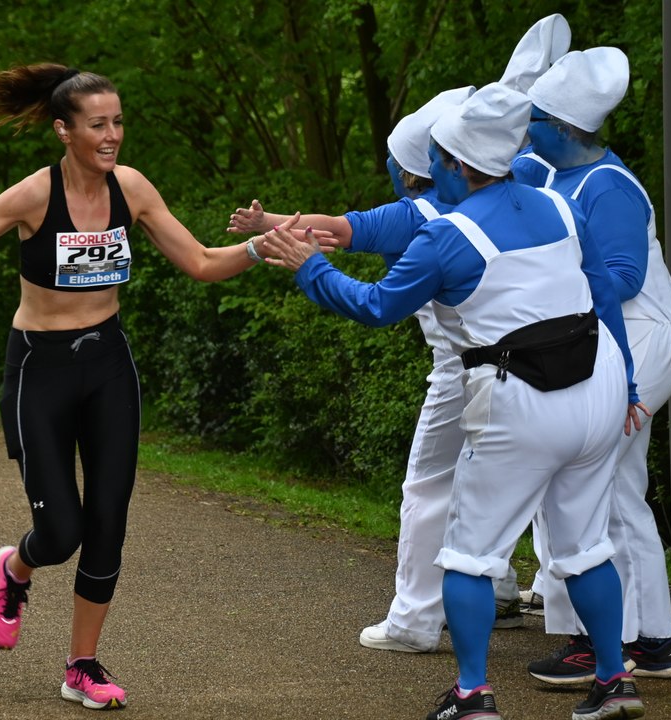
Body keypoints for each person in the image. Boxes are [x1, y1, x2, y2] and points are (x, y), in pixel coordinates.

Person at [0, 63, 272, 711]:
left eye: (117, 122)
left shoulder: (132, 189)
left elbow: (198, 262)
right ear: (63, 130)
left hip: (109, 364)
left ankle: (81, 664)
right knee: (61, 534)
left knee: (108, 522)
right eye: (97, 125)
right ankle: (15, 570)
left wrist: (259, 248)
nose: (112, 135)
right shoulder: (33, 196)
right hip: (40, 370)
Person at [258, 82, 650, 720]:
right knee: (585, 545)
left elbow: (377, 306)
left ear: (459, 165)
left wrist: (309, 268)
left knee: (471, 553)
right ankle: (614, 679)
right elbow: (603, 293)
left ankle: (472, 695)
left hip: (522, 397)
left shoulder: (448, 238)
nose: (427, 170)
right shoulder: (557, 202)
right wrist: (630, 384)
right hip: (598, 384)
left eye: (435, 158)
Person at [226, 13, 570, 655]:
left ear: (428, 165)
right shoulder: (521, 187)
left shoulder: (423, 218)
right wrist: (273, 221)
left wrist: (301, 259)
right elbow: (340, 223)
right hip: (563, 360)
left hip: (473, 371)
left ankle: (415, 619)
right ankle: (537, 602)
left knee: (431, 485)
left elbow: (365, 283)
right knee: (543, 480)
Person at [513, 47, 671, 683]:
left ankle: (604, 638)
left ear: (562, 128)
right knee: (611, 484)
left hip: (640, 333)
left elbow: (622, 278)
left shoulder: (608, 188)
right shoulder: (553, 171)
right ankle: (647, 639)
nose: (524, 128)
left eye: (533, 119)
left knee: (587, 473)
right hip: (606, 335)